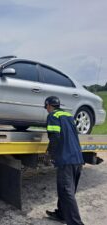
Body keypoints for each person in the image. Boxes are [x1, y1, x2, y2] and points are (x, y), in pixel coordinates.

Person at [44, 96, 84, 225]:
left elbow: (55, 137)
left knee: (66, 192)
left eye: (46, 107)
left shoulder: (53, 116)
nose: (47, 110)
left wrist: (50, 154)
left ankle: (76, 223)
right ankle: (61, 214)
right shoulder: (68, 115)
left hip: (66, 159)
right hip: (77, 158)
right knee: (66, 190)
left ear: (49, 105)